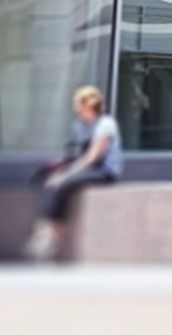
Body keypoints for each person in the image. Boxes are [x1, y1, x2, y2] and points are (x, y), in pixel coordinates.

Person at [28, 85, 120, 263]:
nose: (75, 109)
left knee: (64, 183)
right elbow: (79, 153)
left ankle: (50, 236)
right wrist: (60, 168)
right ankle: (46, 230)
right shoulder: (82, 126)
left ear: (89, 104)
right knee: (44, 180)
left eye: (78, 104)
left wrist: (65, 175)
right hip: (86, 167)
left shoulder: (105, 124)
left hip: (104, 172)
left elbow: (92, 158)